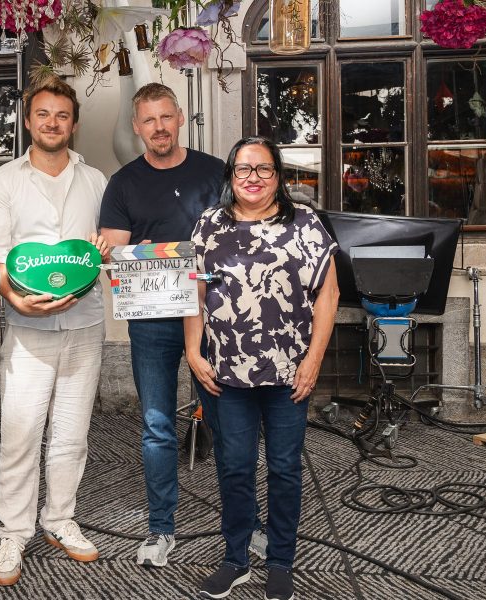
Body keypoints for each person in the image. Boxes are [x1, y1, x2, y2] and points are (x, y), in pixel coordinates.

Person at [100, 83, 270, 568]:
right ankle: (161, 529)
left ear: (180, 118)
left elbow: (243, 233)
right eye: (148, 120)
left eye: (165, 117)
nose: (158, 127)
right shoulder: (123, 183)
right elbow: (114, 246)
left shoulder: (215, 171)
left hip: (217, 321)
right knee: (157, 426)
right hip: (152, 321)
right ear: (137, 128)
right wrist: (106, 252)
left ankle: (247, 523)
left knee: (229, 425)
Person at [185, 136, 339, 600]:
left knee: (285, 467)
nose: (253, 178)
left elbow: (328, 296)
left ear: (279, 176)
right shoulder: (209, 225)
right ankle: (235, 560)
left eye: (263, 169)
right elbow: (192, 291)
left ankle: (280, 561)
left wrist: (313, 360)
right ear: (230, 176)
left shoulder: (305, 223)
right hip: (225, 374)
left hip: (290, 374)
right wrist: (194, 352)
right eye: (243, 169)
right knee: (233, 467)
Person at [0, 75, 109, 586]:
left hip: (86, 322)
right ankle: (13, 532)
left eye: (61, 115)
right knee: (20, 433)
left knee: (72, 434)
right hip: (28, 328)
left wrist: (105, 253)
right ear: (27, 121)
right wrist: (14, 300)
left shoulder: (97, 181)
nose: (52, 123)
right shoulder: (3, 182)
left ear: (73, 124)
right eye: (42, 115)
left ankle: (60, 520)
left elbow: (109, 245)